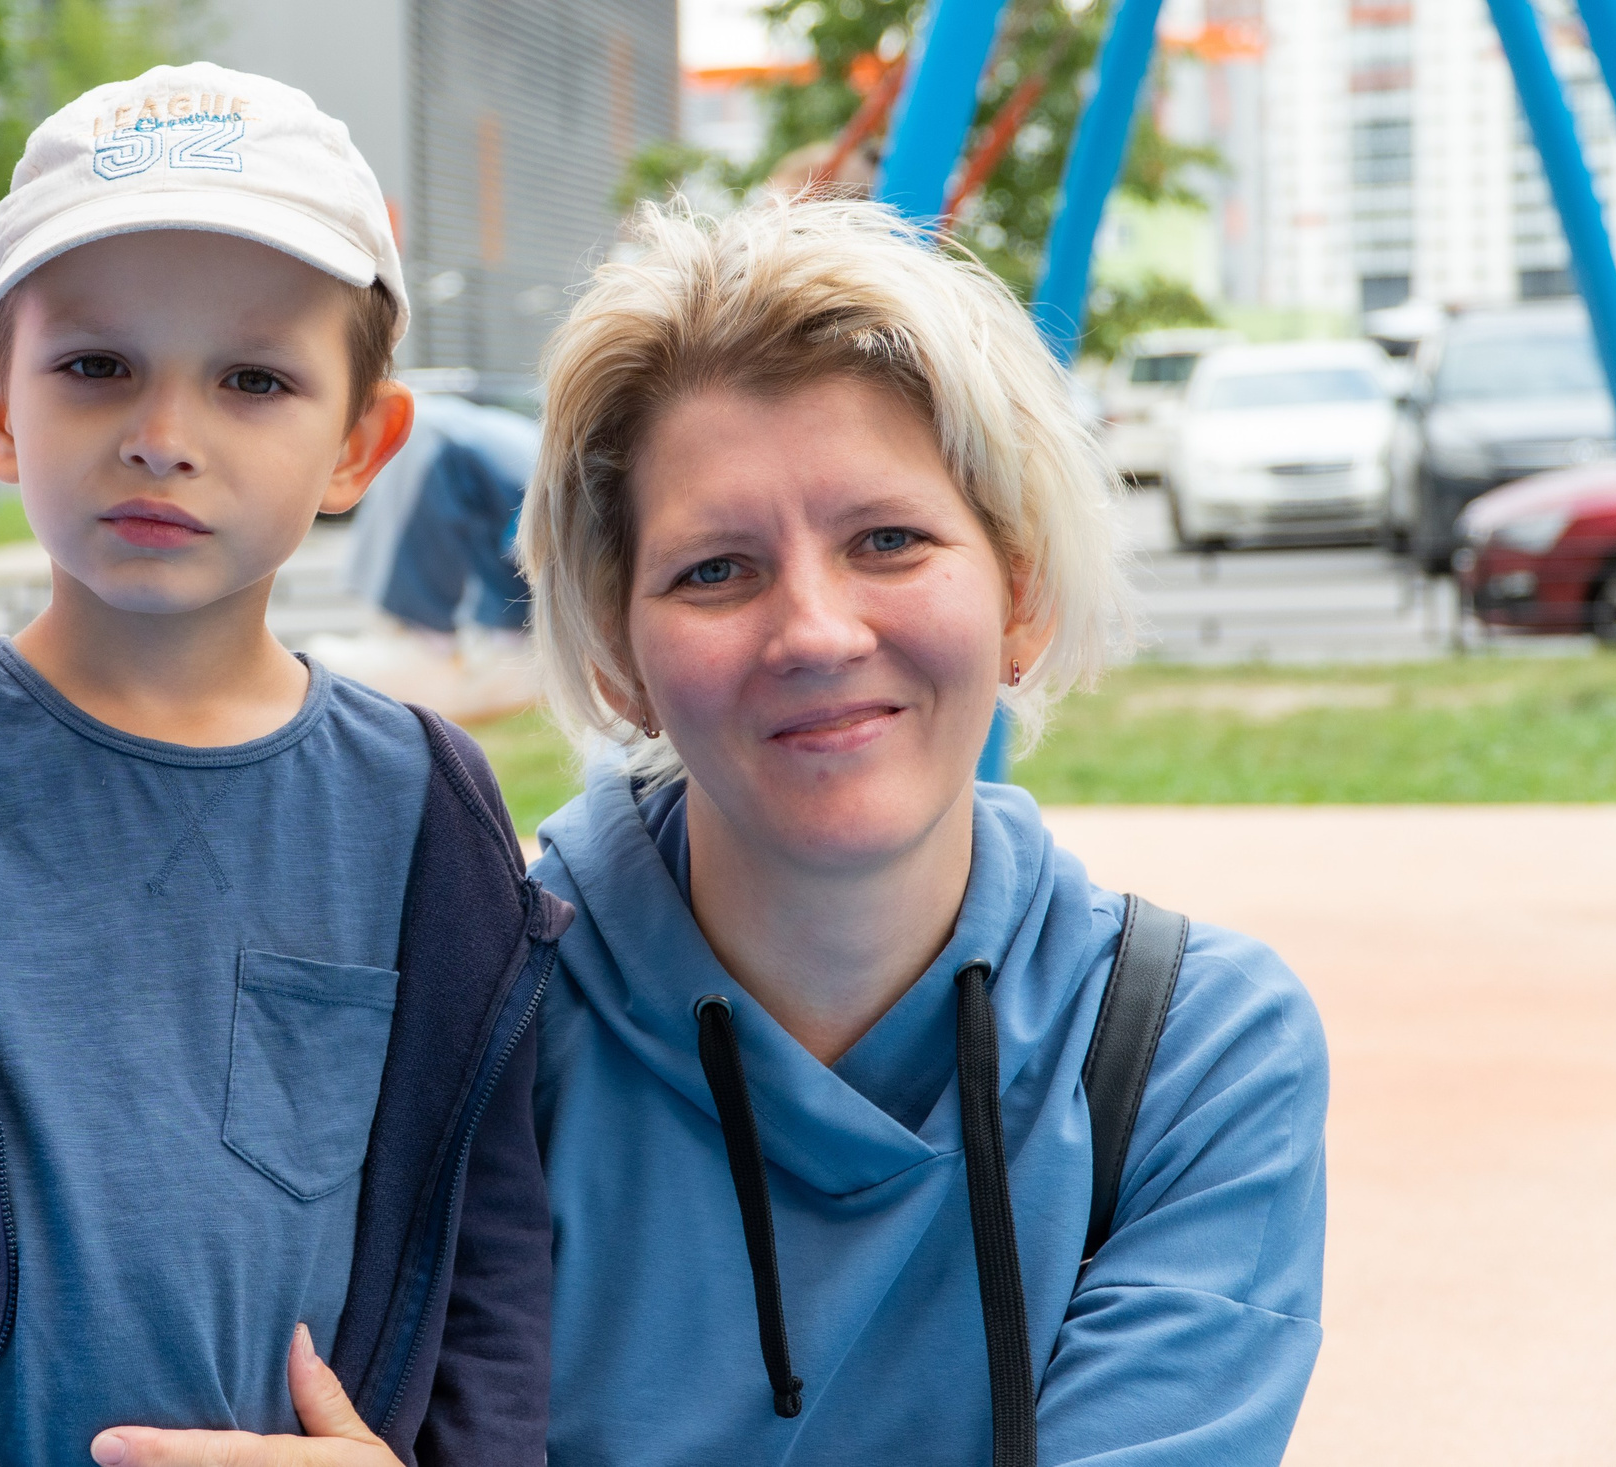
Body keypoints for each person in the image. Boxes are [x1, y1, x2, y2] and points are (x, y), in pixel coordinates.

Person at [96, 193, 1327, 1467]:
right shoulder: (456, 1024)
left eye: (889, 541)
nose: (816, 633)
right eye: (715, 571)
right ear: (618, 659)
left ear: (1017, 595)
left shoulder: (1188, 1052)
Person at [0, 64, 561, 1467]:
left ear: (359, 443)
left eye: (254, 377)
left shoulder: (423, 813)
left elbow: (492, 1247)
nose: (165, 431)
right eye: (96, 365)